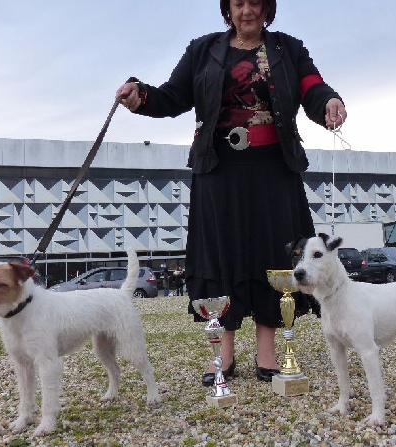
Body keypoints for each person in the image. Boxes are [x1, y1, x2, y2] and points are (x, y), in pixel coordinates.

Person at [116, 0, 346, 386]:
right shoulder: (202, 50)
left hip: (274, 167)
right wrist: (141, 96)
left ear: (266, 8)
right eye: (238, 2)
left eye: (255, 2)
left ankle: (268, 352)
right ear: (228, 9)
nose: (247, 10)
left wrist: (330, 102)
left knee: (273, 254)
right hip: (218, 169)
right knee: (220, 256)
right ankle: (222, 352)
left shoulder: (287, 49)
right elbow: (173, 95)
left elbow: (311, 85)